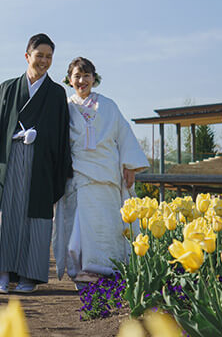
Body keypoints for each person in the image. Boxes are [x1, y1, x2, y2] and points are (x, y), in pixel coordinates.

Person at [0, 34, 70, 294]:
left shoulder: (56, 93)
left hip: (39, 162)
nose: (44, 61)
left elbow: (61, 134)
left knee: (34, 217)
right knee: (4, 215)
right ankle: (2, 276)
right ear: (27, 56)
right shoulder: (8, 87)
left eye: (49, 57)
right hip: (8, 157)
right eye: (39, 55)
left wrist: (42, 139)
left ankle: (29, 276)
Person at [51, 56, 149, 286]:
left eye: (86, 75)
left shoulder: (108, 105)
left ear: (94, 78)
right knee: (80, 222)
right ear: (69, 79)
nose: (82, 80)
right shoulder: (64, 107)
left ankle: (109, 267)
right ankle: (83, 269)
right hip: (78, 173)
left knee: (107, 222)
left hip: (107, 172)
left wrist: (130, 165)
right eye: (77, 76)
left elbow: (123, 134)